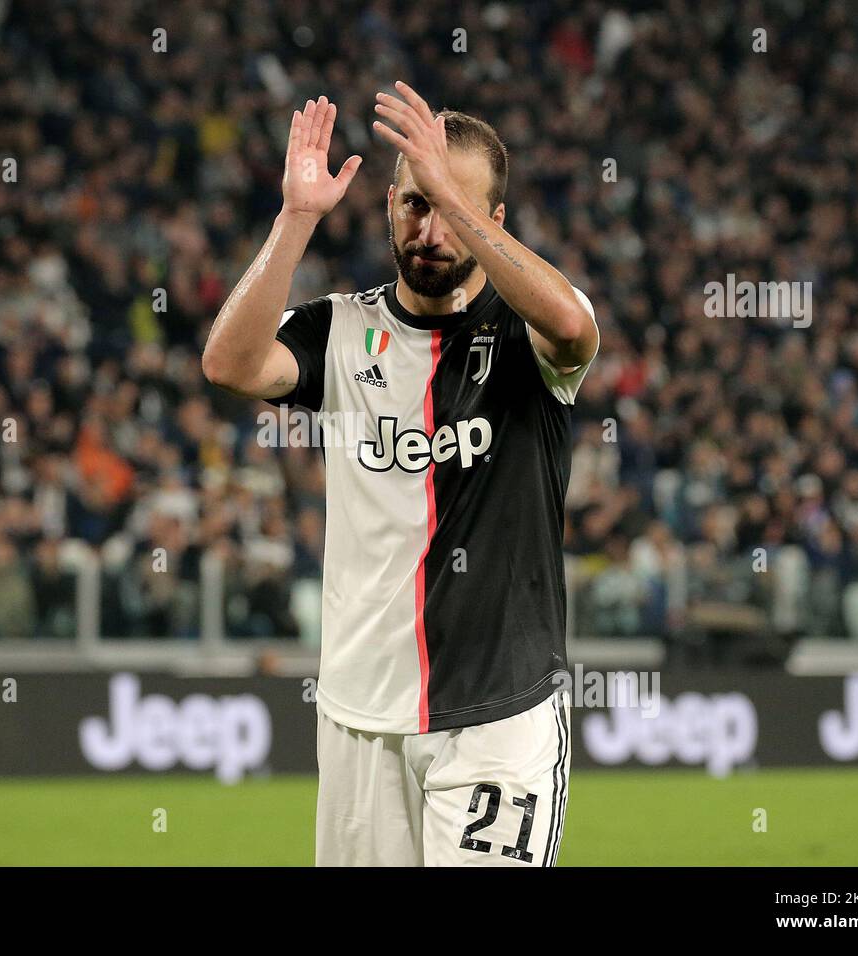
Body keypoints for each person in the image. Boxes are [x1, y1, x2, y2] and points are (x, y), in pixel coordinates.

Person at [203, 86, 600, 866]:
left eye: (453, 207)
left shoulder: (528, 334)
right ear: (387, 204)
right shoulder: (343, 329)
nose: (430, 229)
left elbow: (574, 327)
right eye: (415, 203)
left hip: (498, 716)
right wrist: (296, 217)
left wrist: (451, 193)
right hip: (361, 719)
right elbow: (229, 363)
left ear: (495, 221)